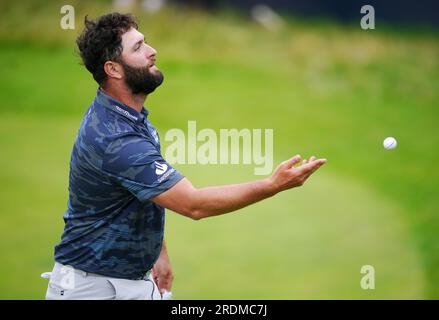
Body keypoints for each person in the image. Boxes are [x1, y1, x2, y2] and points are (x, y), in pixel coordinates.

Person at [45, 12, 327, 300]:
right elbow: (194, 205)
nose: (152, 51)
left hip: (126, 281)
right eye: (138, 47)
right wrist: (273, 185)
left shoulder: (130, 116)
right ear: (113, 69)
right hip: (91, 289)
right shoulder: (117, 138)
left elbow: (142, 192)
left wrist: (159, 253)